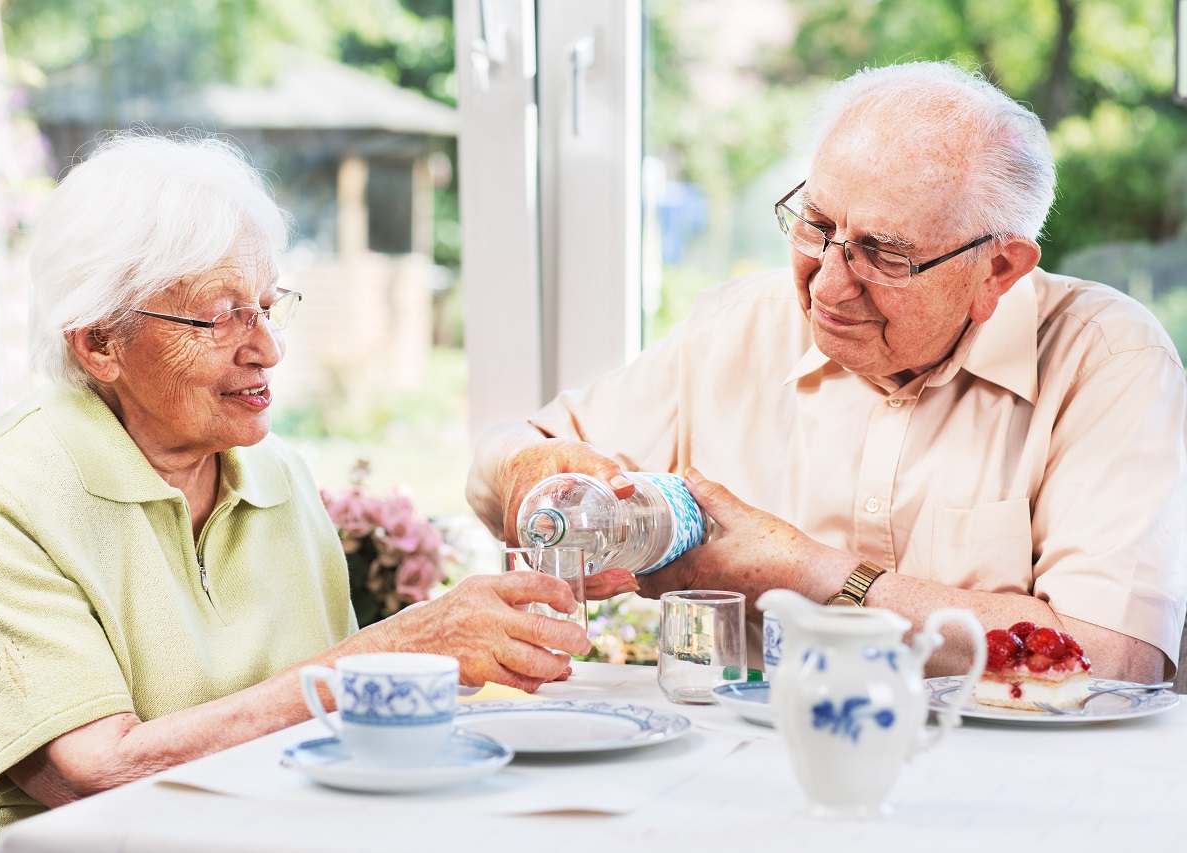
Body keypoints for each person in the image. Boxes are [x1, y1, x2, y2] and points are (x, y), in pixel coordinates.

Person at [0, 134, 590, 852]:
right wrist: (391, 651)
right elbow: (95, 775)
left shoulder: (277, 472)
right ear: (99, 344)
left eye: (266, 306)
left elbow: (325, 732)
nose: (267, 348)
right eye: (219, 315)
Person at [469, 61, 1187, 682]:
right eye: (816, 225)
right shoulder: (738, 327)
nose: (828, 285)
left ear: (997, 268)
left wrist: (798, 570)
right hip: (750, 772)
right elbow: (507, 450)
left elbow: (1113, 660)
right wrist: (539, 465)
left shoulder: (1106, 357)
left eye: (883, 253)